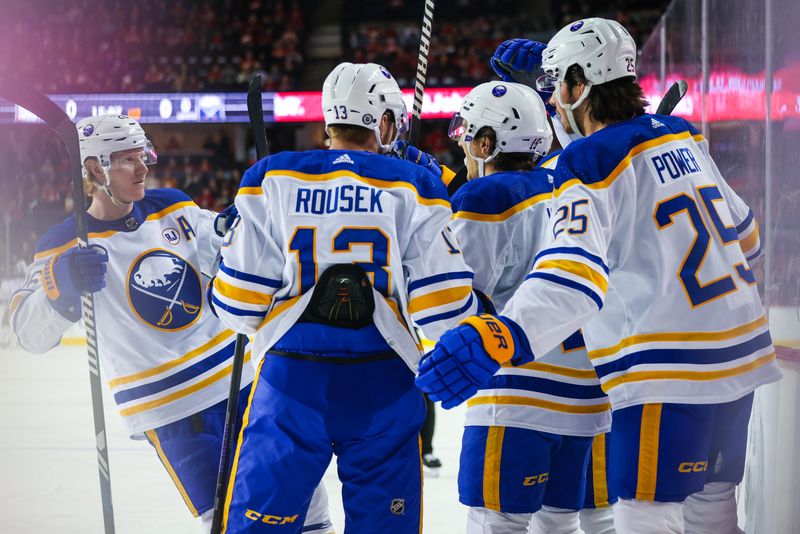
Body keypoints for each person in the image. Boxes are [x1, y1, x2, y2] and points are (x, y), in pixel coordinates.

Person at [417, 17, 780, 534]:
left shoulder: (585, 161)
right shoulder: (682, 136)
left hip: (668, 370)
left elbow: (572, 277)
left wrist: (497, 334)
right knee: (714, 514)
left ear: (577, 85)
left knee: (645, 517)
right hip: (741, 355)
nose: (551, 101)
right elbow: (749, 239)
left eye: (554, 86)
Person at [8, 114, 332, 534]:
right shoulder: (64, 244)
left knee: (305, 499)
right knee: (228, 520)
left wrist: (243, 227)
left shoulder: (173, 205)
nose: (143, 167)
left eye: (143, 155)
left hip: (241, 381)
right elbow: (28, 334)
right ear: (93, 169)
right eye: (127, 159)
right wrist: (60, 286)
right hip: (171, 411)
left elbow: (227, 249)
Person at [209, 62, 480, 534]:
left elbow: (236, 307)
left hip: (290, 385)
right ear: (383, 121)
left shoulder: (269, 178)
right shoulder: (414, 184)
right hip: (385, 386)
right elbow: (446, 314)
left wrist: (236, 237)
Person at [442, 80, 610, 534]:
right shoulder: (573, 182)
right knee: (563, 523)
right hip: (590, 392)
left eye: (468, 138)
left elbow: (456, 303)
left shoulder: (483, 198)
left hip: (516, 392)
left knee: (497, 524)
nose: (463, 151)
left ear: (486, 142)